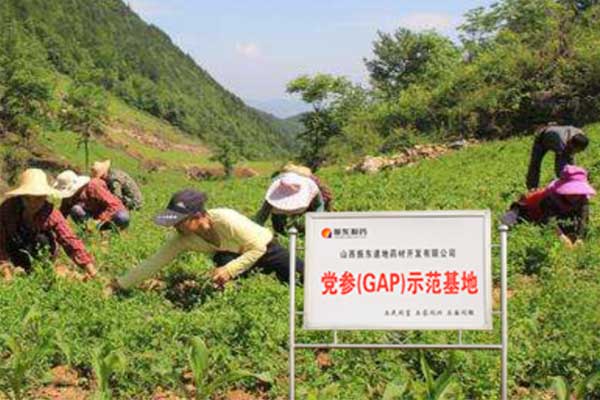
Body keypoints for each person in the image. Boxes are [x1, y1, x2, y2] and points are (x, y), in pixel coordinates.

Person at [107, 189, 304, 293]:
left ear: (198, 216)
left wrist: (229, 270)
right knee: (223, 262)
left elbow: (258, 248)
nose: (175, 225)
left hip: (267, 249)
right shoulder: (182, 239)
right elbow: (154, 262)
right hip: (232, 256)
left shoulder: (226, 219)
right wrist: (120, 284)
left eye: (179, 220)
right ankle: (235, 291)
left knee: (303, 277)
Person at [0, 169, 96, 281]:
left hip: (40, 254)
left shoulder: (50, 212)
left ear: (45, 196)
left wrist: (90, 269)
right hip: (14, 252)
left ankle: (44, 270)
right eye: (28, 198)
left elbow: (69, 240)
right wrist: (5, 269)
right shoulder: (8, 209)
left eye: (39, 198)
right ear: (22, 196)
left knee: (42, 239)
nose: (33, 203)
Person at [503, 165, 595, 247]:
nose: (574, 195)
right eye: (571, 192)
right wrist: (561, 236)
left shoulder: (583, 199)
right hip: (526, 208)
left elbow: (583, 220)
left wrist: (580, 238)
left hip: (555, 213)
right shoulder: (550, 198)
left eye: (577, 192)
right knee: (508, 221)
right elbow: (549, 219)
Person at [255, 164, 332, 235]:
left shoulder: (313, 187)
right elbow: (262, 215)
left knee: (311, 225)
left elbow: (319, 205)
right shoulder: (277, 188)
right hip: (284, 198)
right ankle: (280, 231)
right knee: (277, 220)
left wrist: (315, 224)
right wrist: (256, 230)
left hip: (313, 201)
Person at [55, 170, 130, 231]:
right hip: (93, 216)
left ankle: (112, 233)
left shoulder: (93, 186)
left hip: (110, 215)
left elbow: (114, 205)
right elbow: (62, 214)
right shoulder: (68, 197)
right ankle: (88, 232)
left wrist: (99, 221)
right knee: (76, 209)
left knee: (122, 217)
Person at [526, 125, 589, 190]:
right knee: (535, 164)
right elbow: (559, 168)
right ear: (571, 144)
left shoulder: (580, 134)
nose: (578, 152)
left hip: (557, 135)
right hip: (542, 139)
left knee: (570, 164)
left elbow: (571, 160)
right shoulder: (561, 143)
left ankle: (573, 182)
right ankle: (532, 187)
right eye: (578, 150)